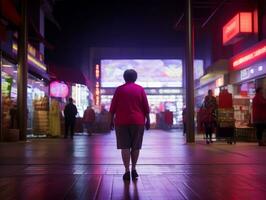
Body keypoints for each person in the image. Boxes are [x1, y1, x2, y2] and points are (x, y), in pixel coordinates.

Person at [109, 69, 150, 181]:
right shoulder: (140, 89)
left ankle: (127, 171)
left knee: (125, 147)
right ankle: (134, 169)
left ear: (124, 77)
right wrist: (148, 120)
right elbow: (146, 107)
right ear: (135, 78)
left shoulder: (119, 89)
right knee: (136, 146)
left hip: (121, 122)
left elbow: (112, 107)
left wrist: (110, 121)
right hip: (138, 121)